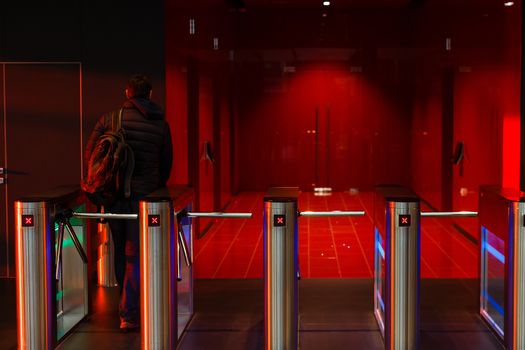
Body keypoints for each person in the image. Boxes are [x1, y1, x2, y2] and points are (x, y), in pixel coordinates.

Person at [84, 74, 173, 330]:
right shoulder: (160, 124)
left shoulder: (109, 119)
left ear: (127, 93)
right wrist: (155, 187)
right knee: (134, 254)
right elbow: (166, 162)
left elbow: (91, 154)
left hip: (114, 199)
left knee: (120, 250)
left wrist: (107, 182)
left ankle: (126, 306)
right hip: (144, 199)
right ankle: (129, 312)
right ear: (150, 94)